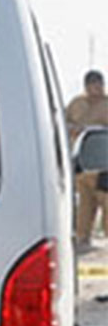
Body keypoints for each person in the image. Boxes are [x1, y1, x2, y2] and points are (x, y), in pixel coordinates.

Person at [66, 69, 108, 249]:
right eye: (92, 85)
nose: (96, 89)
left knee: (105, 202)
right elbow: (63, 122)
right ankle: (83, 238)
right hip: (81, 163)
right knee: (84, 204)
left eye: (99, 85)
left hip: (103, 164)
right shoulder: (76, 104)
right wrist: (74, 128)